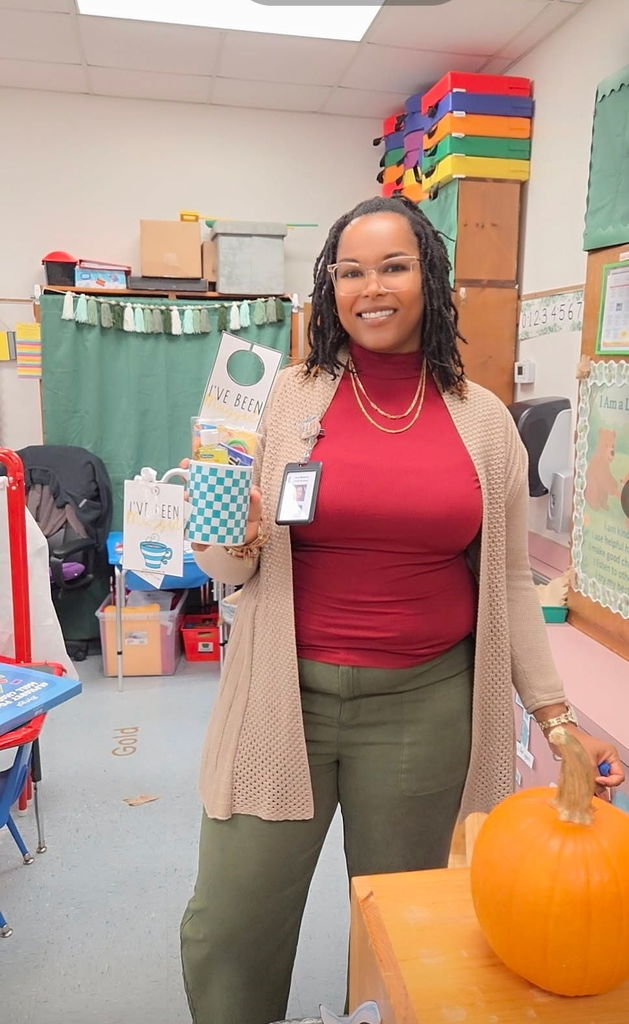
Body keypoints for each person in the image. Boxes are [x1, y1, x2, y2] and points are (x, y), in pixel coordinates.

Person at [180, 195, 624, 1024]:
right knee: (230, 926)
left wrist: (555, 718)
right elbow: (231, 572)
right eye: (350, 271)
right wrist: (226, 534)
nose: (369, 288)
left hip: (423, 708)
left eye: (392, 266)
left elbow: (506, 587)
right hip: (282, 700)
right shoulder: (284, 400)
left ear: (429, 278)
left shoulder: (483, 421)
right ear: (329, 286)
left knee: (397, 923)